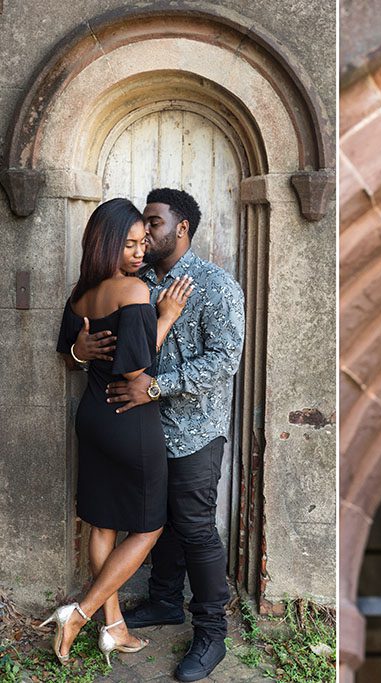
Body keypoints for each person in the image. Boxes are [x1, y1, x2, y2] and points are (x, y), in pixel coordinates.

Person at [73, 188, 245, 682]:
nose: (145, 233)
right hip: (141, 432)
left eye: (154, 222)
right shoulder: (134, 279)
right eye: (142, 225)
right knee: (153, 522)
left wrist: (158, 387)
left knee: (193, 527)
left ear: (182, 228)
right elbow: (93, 340)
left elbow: (224, 362)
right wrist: (82, 350)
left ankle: (212, 632)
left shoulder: (215, 286)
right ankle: (165, 601)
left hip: (194, 431)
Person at [49, 198, 193, 666]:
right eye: (129, 243)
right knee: (149, 526)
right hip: (128, 420)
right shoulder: (133, 291)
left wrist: (77, 350)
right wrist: (166, 317)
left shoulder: (80, 295)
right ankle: (82, 613)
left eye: (143, 241)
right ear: (107, 244)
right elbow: (136, 370)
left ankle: (114, 628)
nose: (139, 251)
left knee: (103, 522)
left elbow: (65, 348)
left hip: (92, 417)